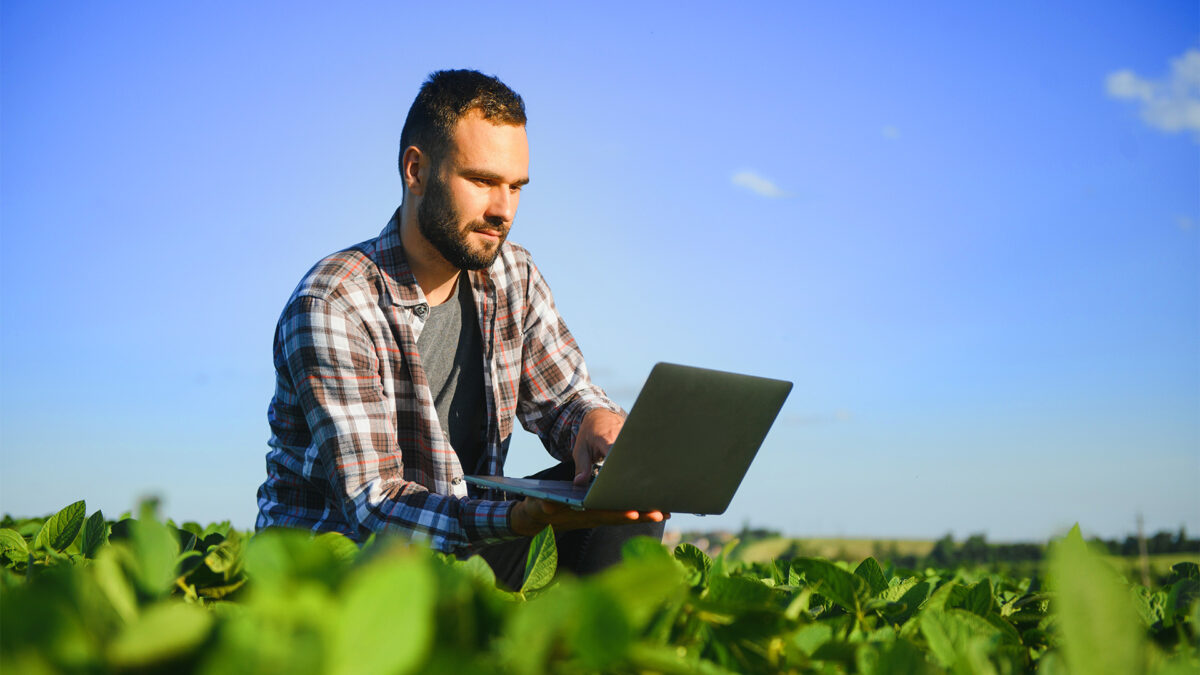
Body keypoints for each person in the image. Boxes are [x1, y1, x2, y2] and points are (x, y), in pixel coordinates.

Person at [256, 69, 666, 589]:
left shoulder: (512, 274)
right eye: (481, 181)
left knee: (624, 503)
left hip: (463, 546)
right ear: (416, 170)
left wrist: (596, 425)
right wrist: (516, 518)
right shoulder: (335, 302)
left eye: (516, 186)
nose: (504, 210)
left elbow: (565, 398)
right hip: (342, 572)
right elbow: (374, 506)